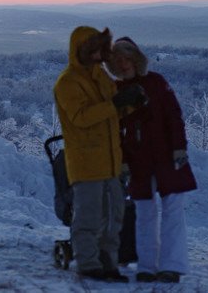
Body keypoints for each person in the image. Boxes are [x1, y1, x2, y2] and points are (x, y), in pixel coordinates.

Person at [54, 26, 145, 283]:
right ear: (80, 51)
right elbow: (81, 118)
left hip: (110, 161)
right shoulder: (68, 82)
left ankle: (109, 264)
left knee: (114, 218)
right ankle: (88, 265)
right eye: (92, 50)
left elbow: (111, 115)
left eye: (100, 50)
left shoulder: (101, 77)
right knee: (89, 217)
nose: (97, 55)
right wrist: (115, 104)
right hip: (86, 162)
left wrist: (128, 104)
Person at [108, 37, 197, 284]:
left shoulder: (156, 82)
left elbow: (174, 116)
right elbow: (115, 131)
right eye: (118, 61)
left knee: (173, 212)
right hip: (139, 161)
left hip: (168, 156)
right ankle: (147, 266)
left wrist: (179, 148)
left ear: (136, 59)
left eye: (127, 58)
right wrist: (123, 161)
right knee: (145, 213)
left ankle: (171, 266)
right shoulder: (116, 92)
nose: (124, 64)